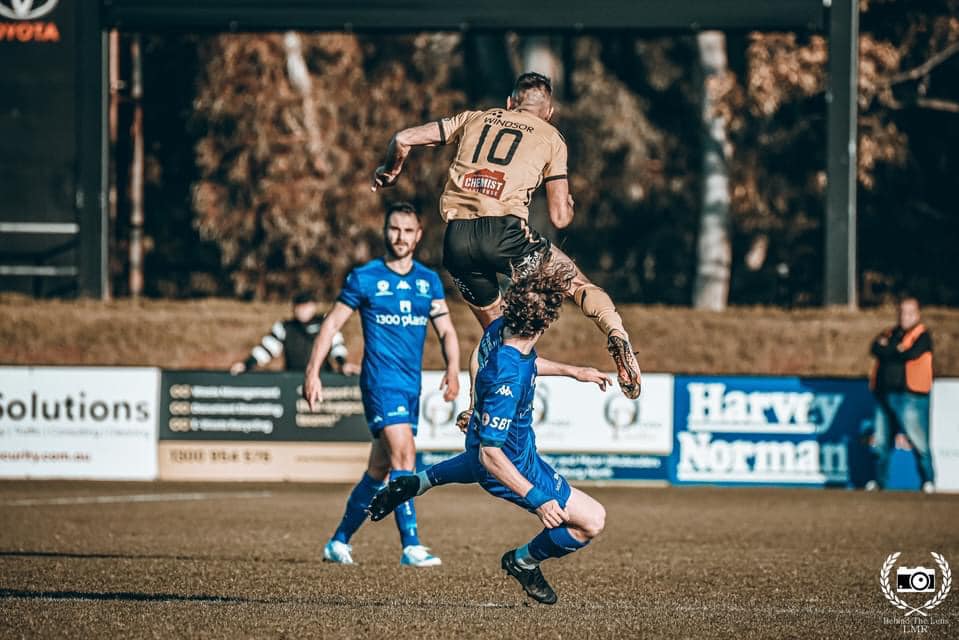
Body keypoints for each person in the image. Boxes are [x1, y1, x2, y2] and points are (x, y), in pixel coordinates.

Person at [371, 71, 643, 400]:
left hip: (456, 242)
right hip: (505, 234)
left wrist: (390, 170)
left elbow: (402, 138)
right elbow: (559, 216)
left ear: (510, 103)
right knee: (578, 285)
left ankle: (477, 405)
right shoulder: (551, 137)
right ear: (549, 112)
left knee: (498, 336)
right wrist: (569, 205)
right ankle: (616, 332)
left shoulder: (473, 118)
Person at [368, 255, 611, 605]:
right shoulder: (507, 379)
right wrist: (537, 499)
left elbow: (486, 359)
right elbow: (490, 455)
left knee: (476, 460)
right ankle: (523, 561)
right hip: (513, 464)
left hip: (493, 447)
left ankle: (415, 482)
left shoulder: (500, 331)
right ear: (545, 324)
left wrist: (575, 372)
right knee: (591, 521)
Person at [303, 202, 461, 567]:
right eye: (394, 229)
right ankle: (411, 546)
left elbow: (448, 330)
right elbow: (331, 326)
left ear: (419, 235)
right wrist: (312, 371)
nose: (400, 237)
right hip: (379, 382)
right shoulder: (365, 277)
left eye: (408, 230)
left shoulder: (429, 281)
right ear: (384, 231)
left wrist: (453, 368)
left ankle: (338, 541)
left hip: (410, 384)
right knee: (405, 455)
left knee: (379, 469)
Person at [866, 296, 935, 493]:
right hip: (884, 395)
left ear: (917, 314)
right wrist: (894, 350)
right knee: (881, 442)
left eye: (909, 312)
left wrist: (890, 350)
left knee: (919, 442)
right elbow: (875, 348)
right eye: (902, 312)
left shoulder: (922, 335)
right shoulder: (890, 333)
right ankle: (879, 482)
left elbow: (909, 354)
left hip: (911, 397)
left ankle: (928, 481)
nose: (904, 316)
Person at [230, 292, 358, 375]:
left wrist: (343, 364)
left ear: (313, 306)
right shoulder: (285, 327)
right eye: (298, 307)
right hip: (293, 378)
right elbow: (267, 349)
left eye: (305, 307)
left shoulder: (325, 324)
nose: (301, 311)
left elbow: (337, 347)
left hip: (322, 378)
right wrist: (246, 365)